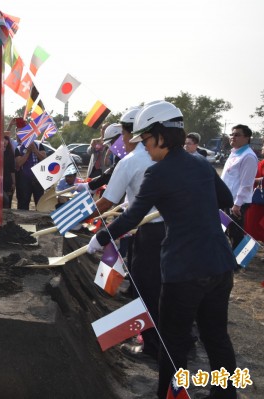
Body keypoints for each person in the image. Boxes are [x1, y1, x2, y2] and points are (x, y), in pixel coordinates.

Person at [88, 101, 237, 399]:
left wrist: (101, 238)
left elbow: (131, 218)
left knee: (173, 343)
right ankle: (225, 394)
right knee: (216, 337)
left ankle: (169, 395)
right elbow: (225, 198)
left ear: (161, 136)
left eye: (145, 140)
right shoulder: (201, 163)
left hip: (184, 270)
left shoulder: (158, 173)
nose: (144, 146)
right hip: (219, 264)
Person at [82, 113, 165, 360]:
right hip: (169, 230)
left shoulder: (131, 161)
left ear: (127, 135)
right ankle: (166, 336)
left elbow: (109, 201)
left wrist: (89, 223)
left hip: (148, 230)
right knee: (160, 286)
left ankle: (153, 345)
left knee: (147, 288)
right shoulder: (164, 158)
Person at [221, 124, 258, 251]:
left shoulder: (248, 156)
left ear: (247, 138)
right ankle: (232, 259)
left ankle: (239, 262)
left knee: (235, 233)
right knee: (226, 230)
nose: (233, 137)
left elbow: (246, 183)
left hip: (237, 202)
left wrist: (237, 204)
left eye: (237, 135)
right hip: (227, 200)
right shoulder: (234, 153)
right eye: (232, 134)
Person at [14, 138, 46, 210]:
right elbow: (19, 163)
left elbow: (44, 158)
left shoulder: (39, 145)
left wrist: (35, 150)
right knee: (23, 201)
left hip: (38, 178)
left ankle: (40, 218)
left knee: (39, 201)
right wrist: (28, 152)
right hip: (25, 178)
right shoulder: (19, 148)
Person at [244, 146, 264, 242]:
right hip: (257, 200)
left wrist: (253, 180)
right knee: (252, 227)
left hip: (259, 201)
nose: (262, 147)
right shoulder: (260, 163)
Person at [2, 133, 16, 208]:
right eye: (3, 139)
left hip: (8, 180)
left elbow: (12, 170)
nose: (4, 141)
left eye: (6, 139)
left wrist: (14, 183)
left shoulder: (10, 153)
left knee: (8, 201)